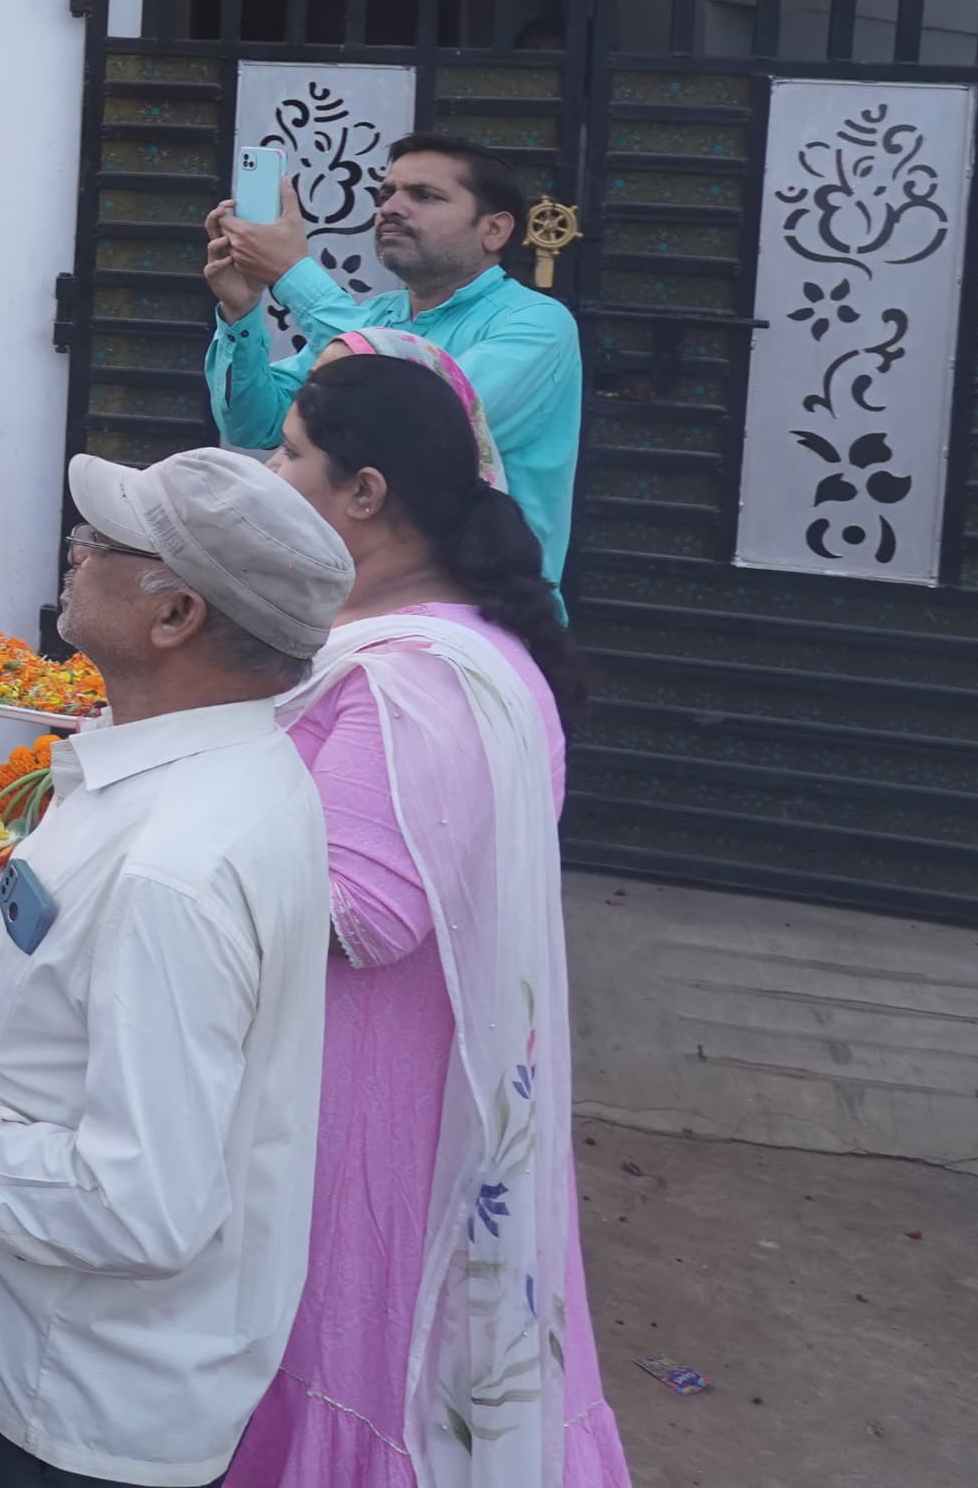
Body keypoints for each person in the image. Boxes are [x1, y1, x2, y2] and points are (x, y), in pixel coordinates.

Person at [0, 445, 349, 1488]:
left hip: (73, 1395)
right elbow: (76, 977)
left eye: (102, 542)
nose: (75, 549)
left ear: (173, 615)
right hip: (34, 1352)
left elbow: (137, 1204)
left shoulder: (173, 864)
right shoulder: (169, 767)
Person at [235, 342, 628, 1488]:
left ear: (363, 493)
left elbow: (361, 909)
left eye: (291, 451)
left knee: (359, 1346)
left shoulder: (418, 679)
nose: (269, 468)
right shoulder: (428, 649)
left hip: (369, 1092)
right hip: (378, 1070)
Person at [204, 133, 584, 582]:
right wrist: (241, 311)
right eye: (386, 194)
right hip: (358, 594)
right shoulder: (377, 316)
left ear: (494, 230)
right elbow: (255, 422)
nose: (391, 207)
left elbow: (412, 411)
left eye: (424, 195)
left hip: (482, 607)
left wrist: (292, 274)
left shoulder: (537, 324)